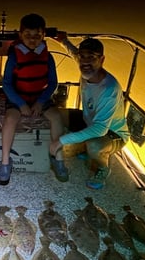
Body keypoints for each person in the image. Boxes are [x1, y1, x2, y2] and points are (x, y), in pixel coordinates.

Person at [50, 36, 130, 190]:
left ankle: (102, 168)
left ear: (102, 59)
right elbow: (75, 53)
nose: (85, 62)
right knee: (55, 114)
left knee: (94, 145)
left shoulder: (109, 89)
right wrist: (63, 41)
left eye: (91, 57)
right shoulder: (86, 68)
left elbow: (100, 129)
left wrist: (61, 141)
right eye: (82, 57)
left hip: (112, 133)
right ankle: (83, 147)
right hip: (89, 120)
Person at [0, 13, 68, 186]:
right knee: (10, 119)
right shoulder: (14, 56)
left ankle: (58, 159)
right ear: (20, 35)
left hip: (39, 97)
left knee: (57, 117)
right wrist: (20, 104)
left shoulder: (48, 57)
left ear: (43, 35)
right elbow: (6, 83)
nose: (32, 39)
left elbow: (52, 83)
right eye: (28, 35)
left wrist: (41, 102)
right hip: (17, 97)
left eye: (37, 35)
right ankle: (5, 162)